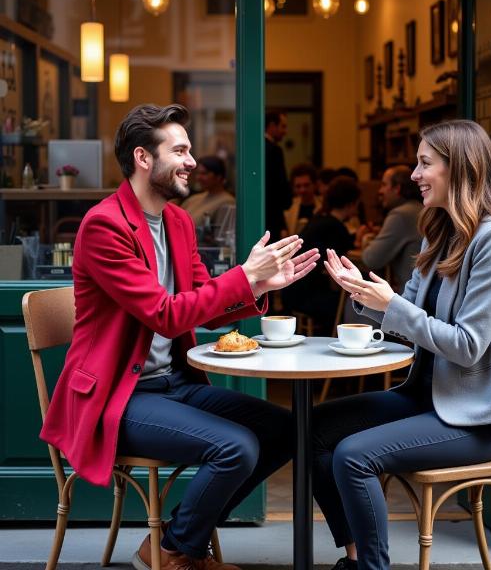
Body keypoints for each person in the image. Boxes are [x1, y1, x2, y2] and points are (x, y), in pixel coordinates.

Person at [39, 104, 320, 570]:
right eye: (181, 150)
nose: (193, 160)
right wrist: (243, 276)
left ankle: (174, 542)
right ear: (143, 158)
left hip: (173, 384)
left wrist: (257, 286)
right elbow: (165, 316)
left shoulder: (178, 221)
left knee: (285, 429)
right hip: (119, 395)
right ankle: (176, 552)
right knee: (236, 446)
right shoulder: (104, 226)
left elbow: (200, 302)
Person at [315, 119, 491, 570]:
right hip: (428, 399)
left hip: (476, 418)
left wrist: (393, 304)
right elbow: (409, 320)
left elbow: (468, 346)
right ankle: (359, 557)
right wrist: (364, 293)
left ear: (459, 169)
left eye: (424, 164)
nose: (414, 175)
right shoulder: (441, 233)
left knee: (352, 456)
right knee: (315, 428)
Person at [282, 176, 360, 335]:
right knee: (350, 303)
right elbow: (338, 273)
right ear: (351, 203)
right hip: (304, 295)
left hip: (291, 290)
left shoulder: (319, 219)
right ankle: (337, 340)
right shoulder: (336, 227)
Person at [357, 165, 423, 290]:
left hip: (409, 296)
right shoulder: (419, 209)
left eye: (383, 185)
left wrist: (364, 240)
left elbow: (371, 259)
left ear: (397, 188)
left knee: (354, 296)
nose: (380, 191)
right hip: (422, 293)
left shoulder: (401, 214)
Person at [180, 154, 235, 227]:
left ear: (218, 176)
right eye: (198, 173)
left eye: (204, 173)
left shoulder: (228, 202)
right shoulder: (193, 199)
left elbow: (221, 234)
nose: (198, 177)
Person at [265, 110, 292, 238]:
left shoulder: (257, 147)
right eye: (283, 126)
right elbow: (278, 187)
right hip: (272, 217)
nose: (285, 131)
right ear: (272, 125)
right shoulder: (274, 150)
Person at [284, 162, 322, 235]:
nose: (302, 190)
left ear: (315, 185)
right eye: (298, 186)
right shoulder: (288, 210)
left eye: (306, 185)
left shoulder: (324, 207)